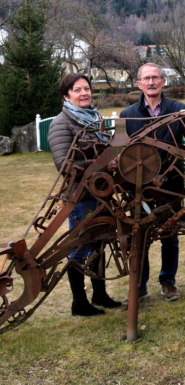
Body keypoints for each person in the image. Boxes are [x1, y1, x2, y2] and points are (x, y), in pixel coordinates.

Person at [120, 63, 185, 303]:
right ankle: (140, 286)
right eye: (146, 78)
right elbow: (120, 152)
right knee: (140, 236)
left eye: (156, 77)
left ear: (163, 82)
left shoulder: (179, 109)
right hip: (140, 187)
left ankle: (168, 282)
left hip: (172, 184)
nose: (151, 82)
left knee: (169, 234)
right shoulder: (127, 115)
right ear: (139, 84)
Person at [48, 73, 122, 316]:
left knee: (101, 243)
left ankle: (99, 294)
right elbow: (65, 165)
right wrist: (103, 164)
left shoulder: (94, 119)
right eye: (77, 90)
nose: (84, 93)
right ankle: (79, 302)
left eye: (87, 89)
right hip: (80, 196)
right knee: (80, 246)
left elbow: (105, 149)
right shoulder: (61, 123)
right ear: (66, 95)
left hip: (100, 192)